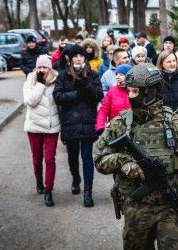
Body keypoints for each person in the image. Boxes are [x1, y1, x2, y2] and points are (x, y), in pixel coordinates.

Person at [93, 63, 178, 249]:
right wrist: (124, 163)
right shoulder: (121, 123)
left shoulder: (175, 123)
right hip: (136, 206)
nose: (130, 96)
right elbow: (99, 157)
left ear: (150, 92)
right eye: (128, 91)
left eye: (135, 91)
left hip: (168, 204)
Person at [53, 45, 104, 207]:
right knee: (72, 157)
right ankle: (76, 178)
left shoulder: (92, 75)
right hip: (70, 123)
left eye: (81, 56)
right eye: (75, 56)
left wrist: (85, 84)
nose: (78, 59)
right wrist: (76, 94)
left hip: (88, 121)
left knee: (87, 158)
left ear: (85, 58)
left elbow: (98, 95)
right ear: (70, 59)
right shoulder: (63, 76)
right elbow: (58, 96)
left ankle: (88, 192)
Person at [23, 55, 60, 206]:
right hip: (34, 126)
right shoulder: (30, 80)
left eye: (45, 67)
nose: (42, 70)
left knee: (50, 159)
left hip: (52, 126)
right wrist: (40, 84)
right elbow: (30, 102)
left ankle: (48, 190)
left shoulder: (57, 80)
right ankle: (39, 180)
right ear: (36, 68)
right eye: (40, 67)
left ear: (50, 68)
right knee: (37, 159)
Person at [95, 64, 132, 135]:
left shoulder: (134, 90)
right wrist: (100, 126)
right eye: (117, 74)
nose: (117, 77)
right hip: (115, 130)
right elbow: (103, 110)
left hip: (132, 130)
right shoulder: (112, 91)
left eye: (121, 75)